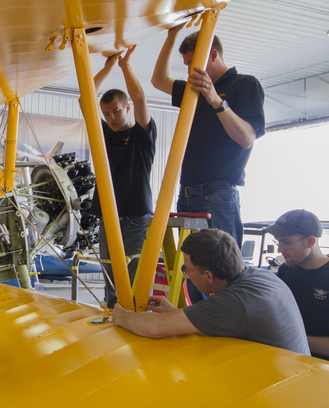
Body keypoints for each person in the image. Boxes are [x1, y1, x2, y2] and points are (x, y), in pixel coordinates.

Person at [150, 28, 265, 247]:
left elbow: (247, 138)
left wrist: (216, 101)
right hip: (188, 190)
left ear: (213, 55)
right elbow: (159, 80)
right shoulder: (194, 90)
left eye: (193, 62)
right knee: (192, 269)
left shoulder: (245, 84)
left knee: (222, 268)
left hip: (218, 193)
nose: (190, 70)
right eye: (187, 65)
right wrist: (171, 36)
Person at [111, 229, 309, 355]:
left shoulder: (234, 301)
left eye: (187, 269)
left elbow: (153, 328)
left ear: (208, 276)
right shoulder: (259, 276)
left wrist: (121, 315)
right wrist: (174, 313)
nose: (186, 274)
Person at [85, 47, 156, 309]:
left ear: (126, 108)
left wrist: (125, 66)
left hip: (136, 217)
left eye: (116, 111)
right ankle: (113, 322)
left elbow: (140, 99)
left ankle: (136, 321)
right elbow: (85, 99)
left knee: (133, 277)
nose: (111, 117)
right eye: (106, 113)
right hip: (108, 216)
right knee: (111, 278)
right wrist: (107, 68)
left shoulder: (142, 135)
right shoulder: (104, 134)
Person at [265, 209, 329, 367]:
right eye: (278, 242)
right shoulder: (286, 270)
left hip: (328, 373)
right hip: (290, 364)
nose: (279, 250)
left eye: (286, 242)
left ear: (310, 242)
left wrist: (291, 339)